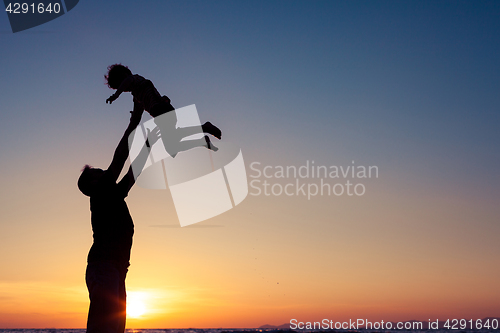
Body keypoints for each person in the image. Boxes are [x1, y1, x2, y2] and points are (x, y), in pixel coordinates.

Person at [78, 102, 158, 333]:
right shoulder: (100, 193)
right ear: (91, 185)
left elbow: (134, 172)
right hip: (104, 268)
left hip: (115, 269)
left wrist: (148, 144)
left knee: (114, 328)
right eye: (96, 173)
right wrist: (134, 122)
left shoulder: (111, 194)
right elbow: (121, 157)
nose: (102, 171)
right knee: (103, 328)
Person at [104, 63, 222, 157]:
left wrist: (116, 95)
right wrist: (132, 118)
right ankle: (202, 139)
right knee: (172, 149)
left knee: (173, 143)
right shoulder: (136, 96)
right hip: (162, 113)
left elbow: (128, 80)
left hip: (162, 110)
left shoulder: (136, 79)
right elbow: (136, 117)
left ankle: (205, 128)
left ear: (124, 75)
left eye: (120, 84)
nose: (123, 89)